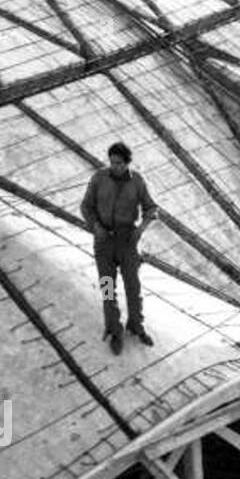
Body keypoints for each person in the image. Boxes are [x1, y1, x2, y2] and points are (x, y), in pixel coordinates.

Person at [80, 142, 159, 355]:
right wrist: (96, 227)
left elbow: (151, 208)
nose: (114, 167)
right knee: (107, 288)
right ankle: (114, 330)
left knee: (133, 287)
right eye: (112, 162)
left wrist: (140, 229)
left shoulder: (137, 182)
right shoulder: (99, 178)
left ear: (127, 163)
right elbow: (86, 206)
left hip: (127, 241)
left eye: (119, 163)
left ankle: (135, 325)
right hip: (103, 241)